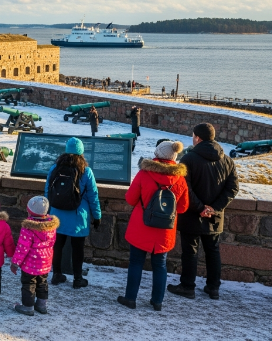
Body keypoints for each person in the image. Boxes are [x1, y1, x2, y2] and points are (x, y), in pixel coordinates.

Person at [168, 123, 239, 300]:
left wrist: (201, 208)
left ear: (198, 138)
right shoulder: (227, 160)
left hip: (192, 214)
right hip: (214, 216)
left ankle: (187, 286)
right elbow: (233, 188)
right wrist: (214, 208)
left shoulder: (189, 159)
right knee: (213, 250)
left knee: (190, 251)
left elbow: (185, 188)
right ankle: (213, 288)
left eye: (193, 136)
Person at [118, 141, 189, 311]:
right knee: (160, 265)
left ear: (157, 154)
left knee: (136, 262)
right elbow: (183, 207)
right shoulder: (180, 179)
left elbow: (130, 198)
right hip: (164, 229)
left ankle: (131, 298)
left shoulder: (144, 173)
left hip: (141, 226)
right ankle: (157, 301)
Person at [45, 137, 101, 289]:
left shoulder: (54, 168)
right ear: (81, 152)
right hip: (78, 215)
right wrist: (97, 216)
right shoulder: (86, 171)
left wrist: (47, 211)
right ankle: (77, 278)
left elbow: (48, 192)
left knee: (57, 246)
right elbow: (93, 195)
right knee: (78, 248)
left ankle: (56, 274)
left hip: (57, 213)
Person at [11, 196, 60, 316]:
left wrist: (15, 263)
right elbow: (52, 243)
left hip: (30, 264)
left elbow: (22, 248)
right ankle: (41, 305)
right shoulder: (51, 227)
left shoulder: (28, 227)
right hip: (45, 262)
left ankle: (28, 306)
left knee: (28, 284)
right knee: (42, 283)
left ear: (30, 211)